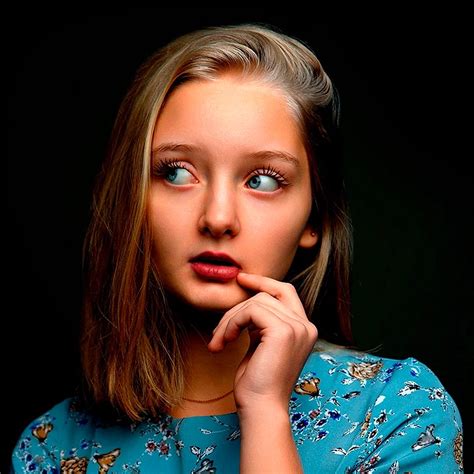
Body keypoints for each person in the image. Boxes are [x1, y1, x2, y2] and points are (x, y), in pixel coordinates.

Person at [10, 23, 463, 473]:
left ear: (316, 218)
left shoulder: (396, 413)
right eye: (177, 172)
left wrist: (266, 412)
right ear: (132, 199)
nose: (218, 218)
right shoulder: (53, 449)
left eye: (262, 180)